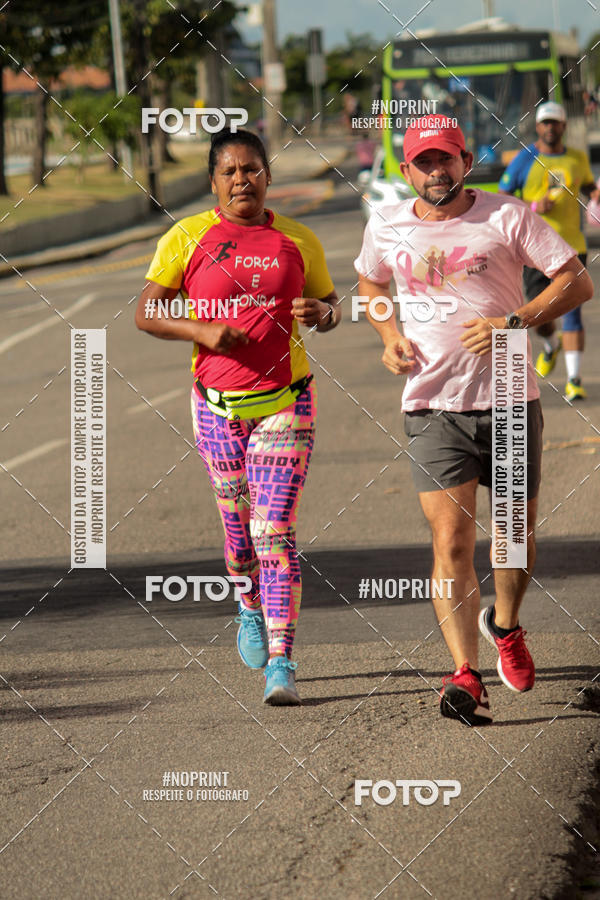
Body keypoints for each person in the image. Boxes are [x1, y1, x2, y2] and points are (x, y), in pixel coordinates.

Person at [354, 116, 593, 726]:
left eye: (447, 159)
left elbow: (577, 280)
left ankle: (505, 625)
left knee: (513, 537)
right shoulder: (386, 223)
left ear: (465, 162)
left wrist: (517, 320)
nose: (437, 171)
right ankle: (464, 671)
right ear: (405, 170)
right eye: (424, 162)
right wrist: (387, 333)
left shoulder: (507, 216)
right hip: (432, 404)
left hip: (511, 396)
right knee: (451, 541)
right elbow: (370, 278)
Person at [135, 128, 340, 705]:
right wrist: (199, 330)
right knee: (238, 533)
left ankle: (283, 659)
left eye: (252, 169)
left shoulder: (299, 240)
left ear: (268, 176)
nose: (241, 179)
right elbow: (147, 312)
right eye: (229, 171)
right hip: (215, 407)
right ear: (213, 181)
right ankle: (246, 603)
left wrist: (323, 312)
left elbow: (331, 308)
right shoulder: (188, 237)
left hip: (285, 401)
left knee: (273, 531)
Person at [499, 101, 598, 400]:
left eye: (555, 122)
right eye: (545, 123)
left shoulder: (577, 158)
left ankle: (574, 380)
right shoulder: (525, 158)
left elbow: (589, 188)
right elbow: (503, 197)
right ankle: (551, 344)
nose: (550, 127)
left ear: (564, 126)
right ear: (538, 127)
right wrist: (533, 206)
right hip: (533, 251)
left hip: (572, 247)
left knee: (573, 311)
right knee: (538, 312)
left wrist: (595, 194)